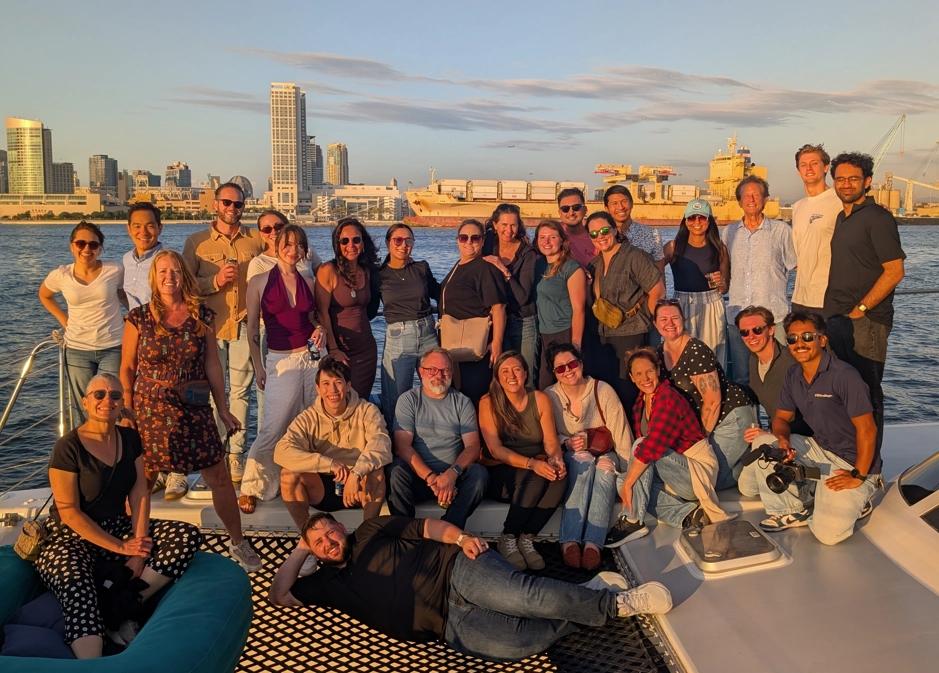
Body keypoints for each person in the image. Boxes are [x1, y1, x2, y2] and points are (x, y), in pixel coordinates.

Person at [269, 513, 672, 662]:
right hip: (446, 626)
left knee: (525, 596)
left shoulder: (372, 529)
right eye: (318, 541)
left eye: (329, 531)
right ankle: (590, 591)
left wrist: (460, 539)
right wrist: (302, 545)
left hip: (456, 570)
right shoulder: (323, 582)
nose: (327, 541)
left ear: (342, 527)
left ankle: (617, 603)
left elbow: (428, 528)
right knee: (518, 645)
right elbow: (279, 595)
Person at [36, 373, 201, 659]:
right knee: (79, 590)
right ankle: (95, 663)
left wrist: (138, 548)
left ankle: (120, 606)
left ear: (121, 403)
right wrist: (122, 548)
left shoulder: (129, 438)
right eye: (99, 395)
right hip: (70, 536)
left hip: (116, 526)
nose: (107, 400)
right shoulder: (68, 447)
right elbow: (69, 512)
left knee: (186, 535)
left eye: (114, 395)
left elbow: (140, 494)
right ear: (86, 402)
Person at [120, 250, 262, 572]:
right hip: (150, 408)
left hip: (193, 405)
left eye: (175, 271)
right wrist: (127, 411)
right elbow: (127, 369)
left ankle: (237, 541)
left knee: (219, 475)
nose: (169, 276)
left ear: (184, 276)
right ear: (154, 278)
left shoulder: (202, 315)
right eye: (163, 272)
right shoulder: (138, 318)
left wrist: (223, 408)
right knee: (144, 477)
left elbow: (213, 363)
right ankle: (134, 544)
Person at [739, 312, 880, 544]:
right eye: (793, 339)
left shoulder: (844, 376)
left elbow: (868, 430)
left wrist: (859, 475)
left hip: (851, 462)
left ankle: (862, 495)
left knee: (827, 536)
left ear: (822, 340)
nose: (799, 344)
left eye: (807, 337)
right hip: (821, 448)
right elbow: (781, 418)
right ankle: (794, 509)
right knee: (766, 444)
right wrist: (783, 440)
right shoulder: (794, 374)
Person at [182, 182, 265, 482]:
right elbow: (186, 285)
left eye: (238, 204)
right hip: (211, 328)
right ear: (215, 204)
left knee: (241, 393)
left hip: (243, 324)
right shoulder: (197, 242)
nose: (232, 209)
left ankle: (236, 455)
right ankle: (213, 453)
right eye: (227, 203)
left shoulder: (255, 240)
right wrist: (214, 282)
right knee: (211, 395)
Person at [823, 152, 905, 452]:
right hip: (838, 319)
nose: (846, 184)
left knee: (867, 393)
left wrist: (861, 309)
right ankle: (849, 456)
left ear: (867, 181)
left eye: (853, 178)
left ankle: (870, 467)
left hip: (865, 322)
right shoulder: (843, 217)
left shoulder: (878, 218)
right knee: (844, 392)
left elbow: (895, 270)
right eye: (840, 178)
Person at [239, 225, 325, 514]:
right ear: (277, 245)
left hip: (311, 358)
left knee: (308, 421)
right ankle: (252, 485)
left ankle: (300, 480)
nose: (292, 250)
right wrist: (258, 364)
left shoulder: (309, 281)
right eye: (287, 244)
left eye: (298, 245)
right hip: (280, 359)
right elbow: (251, 328)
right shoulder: (259, 281)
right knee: (273, 426)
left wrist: (321, 330)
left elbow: (315, 319)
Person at [544, 343, 636, 570]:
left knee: (605, 470)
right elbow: (548, 434)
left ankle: (594, 544)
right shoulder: (550, 396)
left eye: (572, 364)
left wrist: (627, 478)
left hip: (607, 452)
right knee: (582, 463)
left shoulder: (602, 390)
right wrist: (567, 441)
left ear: (581, 364)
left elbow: (621, 432)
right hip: (575, 455)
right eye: (560, 368)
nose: (568, 371)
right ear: (554, 373)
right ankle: (570, 541)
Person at [274, 356, 391, 530]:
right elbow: (281, 451)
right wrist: (330, 464)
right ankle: (309, 539)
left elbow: (381, 444)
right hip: (323, 487)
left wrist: (357, 473)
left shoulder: (367, 411)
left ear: (348, 385)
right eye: (326, 384)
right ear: (318, 389)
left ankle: (367, 537)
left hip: (359, 487)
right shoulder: (309, 417)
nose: (333, 390)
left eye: (338, 382)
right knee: (288, 475)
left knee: (377, 472)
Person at [621, 350, 734, 530]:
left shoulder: (667, 397)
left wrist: (629, 483)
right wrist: (627, 483)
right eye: (639, 374)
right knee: (622, 481)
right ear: (632, 377)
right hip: (670, 474)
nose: (645, 378)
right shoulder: (640, 403)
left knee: (638, 457)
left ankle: (632, 521)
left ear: (658, 370)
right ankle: (688, 515)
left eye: (649, 371)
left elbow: (653, 445)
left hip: (694, 470)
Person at [655, 300, 756, 491]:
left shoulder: (696, 351)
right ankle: (743, 458)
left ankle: (754, 463)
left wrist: (700, 442)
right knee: (700, 476)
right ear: (655, 324)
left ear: (683, 320)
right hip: (703, 422)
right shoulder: (659, 354)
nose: (670, 323)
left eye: (675, 318)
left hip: (729, 417)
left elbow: (713, 401)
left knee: (708, 479)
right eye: (663, 319)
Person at [479, 351, 567, 571]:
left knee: (559, 478)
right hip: (502, 470)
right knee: (535, 477)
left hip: (535, 465)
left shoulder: (540, 399)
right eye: (505, 371)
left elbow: (550, 441)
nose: (511, 375)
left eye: (517, 369)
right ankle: (508, 537)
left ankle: (527, 538)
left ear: (526, 373)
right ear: (497, 377)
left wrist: (556, 458)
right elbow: (495, 450)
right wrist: (532, 464)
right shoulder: (488, 402)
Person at [386, 348, 488, 528]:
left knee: (479, 475)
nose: (439, 375)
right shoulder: (408, 400)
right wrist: (431, 477)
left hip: (454, 477)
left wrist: (451, 474)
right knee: (396, 472)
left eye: (445, 370)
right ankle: (406, 533)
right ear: (420, 371)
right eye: (432, 369)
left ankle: (450, 528)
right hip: (420, 478)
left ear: (452, 372)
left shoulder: (462, 402)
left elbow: (472, 447)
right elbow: (402, 447)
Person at [39, 221, 125, 426]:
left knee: (111, 403)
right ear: (72, 246)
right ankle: (85, 453)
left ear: (100, 248)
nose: (87, 249)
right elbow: (44, 295)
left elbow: (125, 295)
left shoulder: (115, 269)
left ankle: (113, 450)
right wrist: (64, 320)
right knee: (82, 405)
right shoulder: (61, 275)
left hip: (112, 346)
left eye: (93, 245)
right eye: (81, 243)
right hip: (77, 348)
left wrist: (135, 317)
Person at [587, 211, 665, 411]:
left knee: (629, 390)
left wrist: (645, 317)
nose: (600, 236)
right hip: (604, 335)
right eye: (594, 234)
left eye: (605, 230)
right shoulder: (595, 264)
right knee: (608, 390)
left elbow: (657, 290)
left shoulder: (634, 256)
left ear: (614, 229)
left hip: (631, 333)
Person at [721, 177, 796, 384]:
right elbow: (724, 271)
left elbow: (797, 266)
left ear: (765, 199)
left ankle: (778, 417)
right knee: (743, 378)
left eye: (756, 194)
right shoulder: (729, 233)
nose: (751, 199)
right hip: (738, 318)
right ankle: (749, 418)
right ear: (739, 201)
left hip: (774, 318)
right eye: (746, 195)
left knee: (781, 378)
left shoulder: (782, 231)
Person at [377, 223, 440, 425]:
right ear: (388, 243)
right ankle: (396, 444)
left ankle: (432, 435)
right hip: (398, 337)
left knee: (436, 386)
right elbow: (368, 308)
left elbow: (440, 294)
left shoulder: (421, 267)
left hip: (428, 332)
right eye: (398, 240)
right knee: (397, 394)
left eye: (408, 240)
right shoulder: (379, 275)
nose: (404, 245)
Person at [439, 219, 507, 404]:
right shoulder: (459, 266)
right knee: (460, 395)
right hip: (456, 344)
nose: (469, 242)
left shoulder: (484, 268)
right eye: (464, 237)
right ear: (457, 240)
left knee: (474, 395)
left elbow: (498, 307)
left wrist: (497, 342)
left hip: (476, 344)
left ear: (483, 241)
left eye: (475, 238)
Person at [315, 217, 380, 400]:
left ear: (363, 243)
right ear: (337, 244)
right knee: (340, 401)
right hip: (341, 351)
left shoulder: (366, 271)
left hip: (367, 350)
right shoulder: (328, 270)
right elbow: (322, 313)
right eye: (344, 241)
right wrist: (334, 349)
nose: (350, 245)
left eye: (356, 240)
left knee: (361, 403)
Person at [664, 199, 731, 371]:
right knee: (680, 355)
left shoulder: (719, 248)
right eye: (691, 218)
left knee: (713, 354)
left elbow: (725, 287)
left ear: (709, 221)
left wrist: (721, 283)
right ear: (685, 221)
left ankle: (715, 395)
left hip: (712, 303)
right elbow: (654, 271)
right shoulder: (674, 246)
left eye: (701, 218)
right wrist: (662, 301)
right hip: (682, 303)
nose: (696, 223)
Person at [483, 203, 541, 387]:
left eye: (513, 225)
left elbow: (523, 296)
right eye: (504, 225)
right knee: (498, 377)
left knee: (525, 376)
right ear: (495, 224)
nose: (509, 230)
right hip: (495, 322)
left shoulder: (528, 253)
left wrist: (501, 267)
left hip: (522, 322)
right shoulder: (487, 245)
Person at [735, 306, 812, 439]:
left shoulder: (791, 363)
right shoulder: (753, 360)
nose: (751, 336)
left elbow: (809, 414)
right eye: (744, 333)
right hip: (777, 432)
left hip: (802, 435)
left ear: (771, 330)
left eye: (757, 330)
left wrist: (770, 435)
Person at [534, 220, 587, 389]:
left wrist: (575, 344)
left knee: (565, 382)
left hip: (564, 333)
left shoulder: (571, 268)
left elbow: (579, 309)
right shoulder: (540, 266)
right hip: (545, 335)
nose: (546, 241)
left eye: (552, 237)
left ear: (562, 240)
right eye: (542, 237)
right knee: (546, 385)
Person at [790, 144, 842, 314]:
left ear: (826, 167)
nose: (808, 169)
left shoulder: (839, 201)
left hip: (827, 297)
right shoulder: (798, 207)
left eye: (814, 163)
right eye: (803, 165)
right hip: (800, 296)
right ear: (798, 170)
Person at [603, 185, 665, 273]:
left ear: (632, 204)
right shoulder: (601, 236)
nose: (620, 207)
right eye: (614, 203)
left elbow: (659, 271)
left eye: (624, 201)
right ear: (607, 208)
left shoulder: (652, 234)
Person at [122, 203, 164, 311]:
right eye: (137, 226)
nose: (143, 232)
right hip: (132, 324)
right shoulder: (126, 259)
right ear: (129, 229)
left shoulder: (166, 262)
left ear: (159, 228)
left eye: (150, 226)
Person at [556, 187, 597, 268]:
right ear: (559, 213)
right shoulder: (553, 235)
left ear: (585, 210)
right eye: (565, 209)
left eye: (576, 207)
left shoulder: (597, 236)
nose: (571, 213)